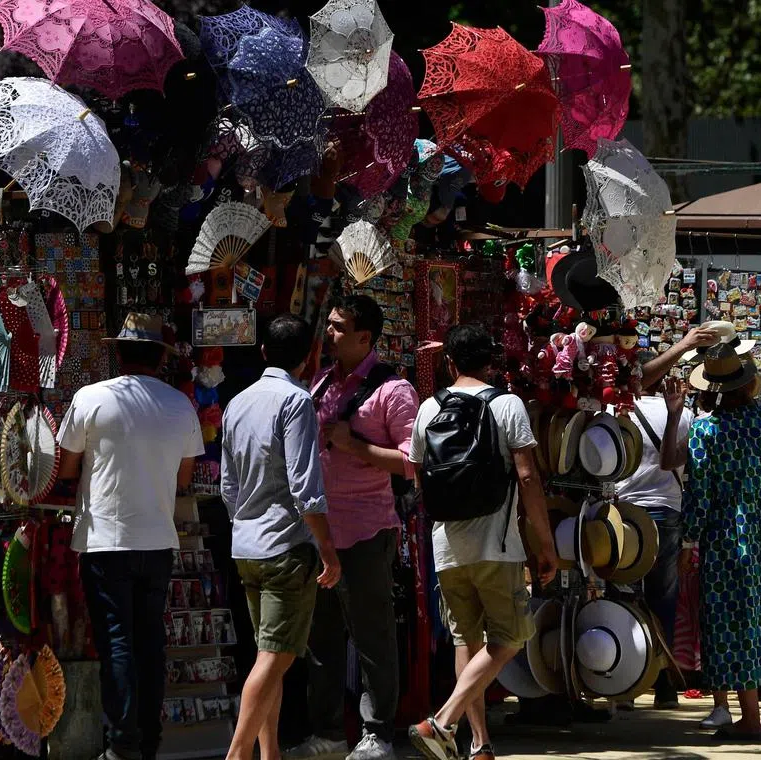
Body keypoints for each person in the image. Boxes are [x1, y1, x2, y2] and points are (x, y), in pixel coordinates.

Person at [56, 313, 206, 760]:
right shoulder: (181, 406)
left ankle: (123, 742)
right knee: (149, 642)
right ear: (161, 357)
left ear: (118, 353)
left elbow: (64, 469)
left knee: (118, 641)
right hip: (157, 540)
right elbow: (183, 479)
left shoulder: (91, 398)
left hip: (106, 540)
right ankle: (148, 740)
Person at [407, 324, 558, 760]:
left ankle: (479, 743)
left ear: (449, 362)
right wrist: (544, 544)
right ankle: (442, 721)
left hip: (446, 547)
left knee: (466, 642)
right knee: (511, 637)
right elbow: (527, 477)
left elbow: (418, 474)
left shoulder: (427, 409)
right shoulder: (506, 404)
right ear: (490, 364)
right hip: (497, 545)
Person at [288, 295, 419, 760]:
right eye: (330, 325)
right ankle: (326, 732)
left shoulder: (393, 390)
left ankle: (378, 732)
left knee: (372, 637)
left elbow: (411, 463)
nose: (330, 333)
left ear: (366, 337)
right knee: (320, 639)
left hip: (365, 530)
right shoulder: (323, 382)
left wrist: (355, 446)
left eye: (340, 328)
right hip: (321, 532)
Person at [221, 314, 342, 760]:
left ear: (264, 353)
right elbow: (305, 487)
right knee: (275, 658)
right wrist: (328, 549)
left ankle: (268, 755)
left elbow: (229, 487)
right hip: (285, 548)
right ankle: (238, 754)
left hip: (248, 546)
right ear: (309, 358)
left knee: (267, 659)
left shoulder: (238, 403)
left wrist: (247, 522)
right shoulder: (296, 402)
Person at [677, 343, 761, 740]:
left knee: (734, 621)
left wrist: (688, 543)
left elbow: (698, 493)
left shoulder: (705, 430)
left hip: (723, 535)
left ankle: (750, 720)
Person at [613, 362, 694, 710]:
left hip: (625, 513)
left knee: (625, 597)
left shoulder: (616, 408)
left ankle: (628, 683)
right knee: (664, 599)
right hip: (667, 511)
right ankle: (664, 683)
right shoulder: (685, 414)